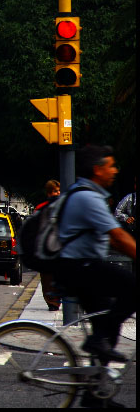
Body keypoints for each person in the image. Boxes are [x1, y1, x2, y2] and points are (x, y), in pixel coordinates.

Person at [55, 145, 136, 370]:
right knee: (132, 289)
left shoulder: (84, 194)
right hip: (81, 268)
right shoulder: (88, 198)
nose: (116, 171)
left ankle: (96, 391)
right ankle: (96, 341)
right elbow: (118, 236)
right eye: (111, 166)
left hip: (79, 267)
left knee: (108, 326)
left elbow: (107, 239)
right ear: (97, 169)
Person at [36, 180, 62, 311]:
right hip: (45, 249)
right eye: (54, 191)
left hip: (60, 248)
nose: (57, 194)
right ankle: (52, 302)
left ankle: (57, 299)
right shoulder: (41, 208)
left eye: (58, 191)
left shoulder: (65, 207)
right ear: (48, 193)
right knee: (47, 278)